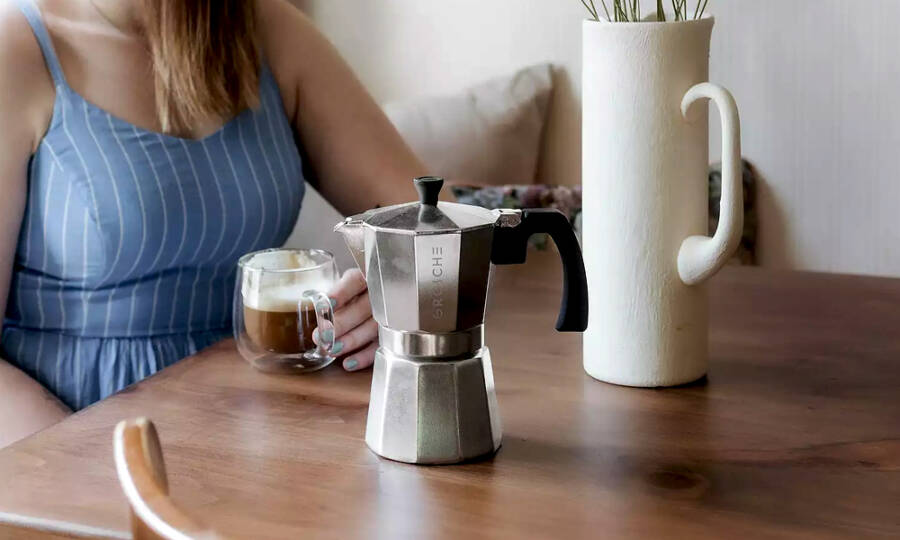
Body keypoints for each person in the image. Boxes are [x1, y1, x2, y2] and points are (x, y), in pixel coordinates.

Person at [0, 0, 422, 446]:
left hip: (260, 433)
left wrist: (396, 293)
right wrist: (102, 468)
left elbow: (436, 228)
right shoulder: (17, 51)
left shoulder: (270, 31)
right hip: (73, 443)